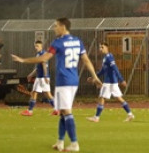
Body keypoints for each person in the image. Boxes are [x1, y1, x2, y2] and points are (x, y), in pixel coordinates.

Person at [13, 17, 100, 152]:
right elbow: (86, 61)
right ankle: (60, 142)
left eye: (56, 26)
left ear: (63, 27)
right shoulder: (78, 41)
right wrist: (95, 77)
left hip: (64, 81)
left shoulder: (58, 42)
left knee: (66, 112)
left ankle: (74, 143)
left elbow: (44, 58)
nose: (54, 28)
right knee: (62, 113)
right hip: (73, 80)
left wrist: (23, 60)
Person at [88, 43, 134, 122]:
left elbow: (115, 68)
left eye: (102, 47)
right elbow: (103, 70)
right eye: (100, 47)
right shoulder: (105, 58)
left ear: (107, 48)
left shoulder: (109, 57)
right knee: (119, 98)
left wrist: (121, 79)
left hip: (109, 82)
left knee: (102, 97)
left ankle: (96, 117)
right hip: (112, 81)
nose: (100, 49)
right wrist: (94, 76)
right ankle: (130, 114)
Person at [21, 39, 57, 116]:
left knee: (46, 94)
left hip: (42, 78)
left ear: (41, 46)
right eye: (35, 46)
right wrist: (31, 74)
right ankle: (56, 110)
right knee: (36, 93)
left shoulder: (43, 54)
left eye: (37, 46)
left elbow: (44, 65)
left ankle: (30, 111)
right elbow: (38, 67)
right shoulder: (38, 54)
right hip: (40, 77)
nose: (36, 47)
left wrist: (45, 76)